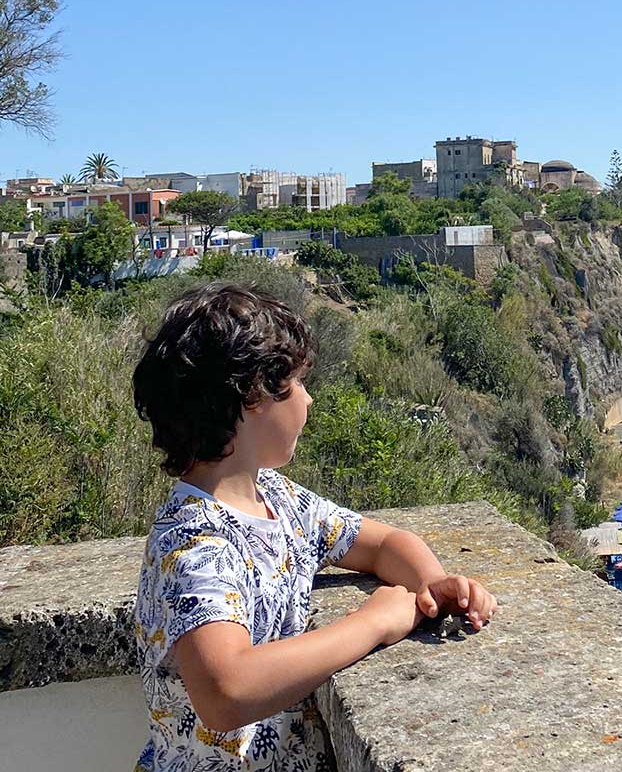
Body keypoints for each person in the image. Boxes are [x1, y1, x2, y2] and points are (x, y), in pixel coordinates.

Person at [131, 284, 497, 772]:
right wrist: (372, 624)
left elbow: (384, 542)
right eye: (299, 384)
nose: (308, 401)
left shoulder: (278, 499)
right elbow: (226, 692)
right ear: (253, 395)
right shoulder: (195, 543)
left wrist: (431, 584)